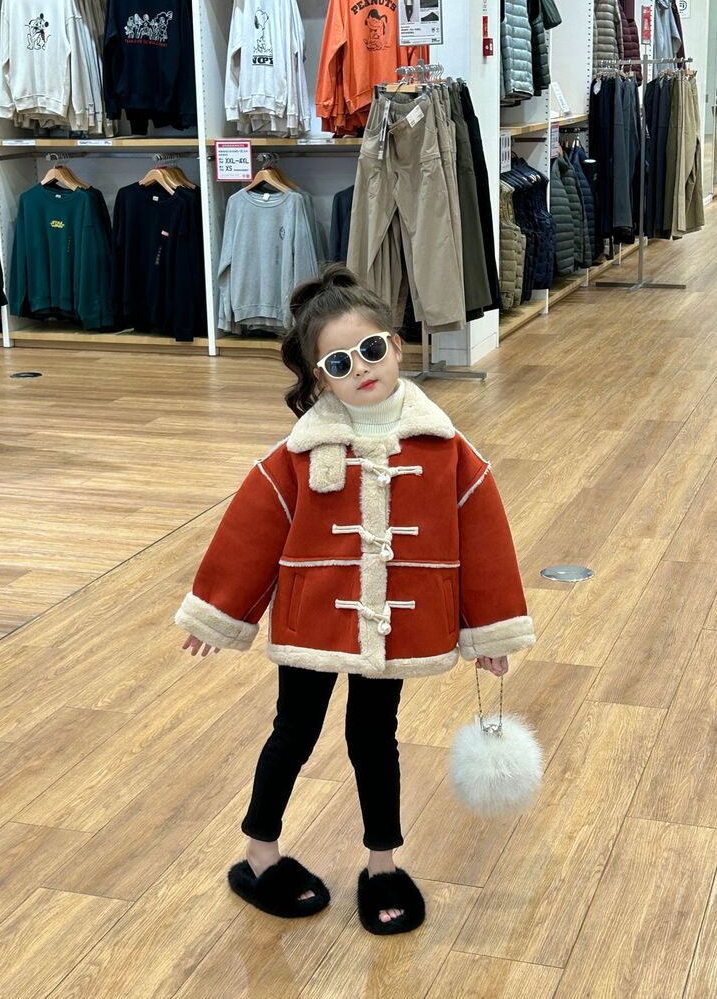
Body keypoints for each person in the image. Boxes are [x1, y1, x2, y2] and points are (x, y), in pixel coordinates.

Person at [175, 264, 535, 935]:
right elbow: (254, 526)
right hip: (313, 618)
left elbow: (483, 535)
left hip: (394, 625)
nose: (361, 368)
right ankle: (259, 855)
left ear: (396, 345)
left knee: (374, 739)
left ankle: (382, 864)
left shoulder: (447, 448)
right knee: (293, 732)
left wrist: (488, 632)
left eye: (370, 349)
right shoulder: (299, 452)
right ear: (321, 378)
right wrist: (219, 611)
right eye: (339, 362)